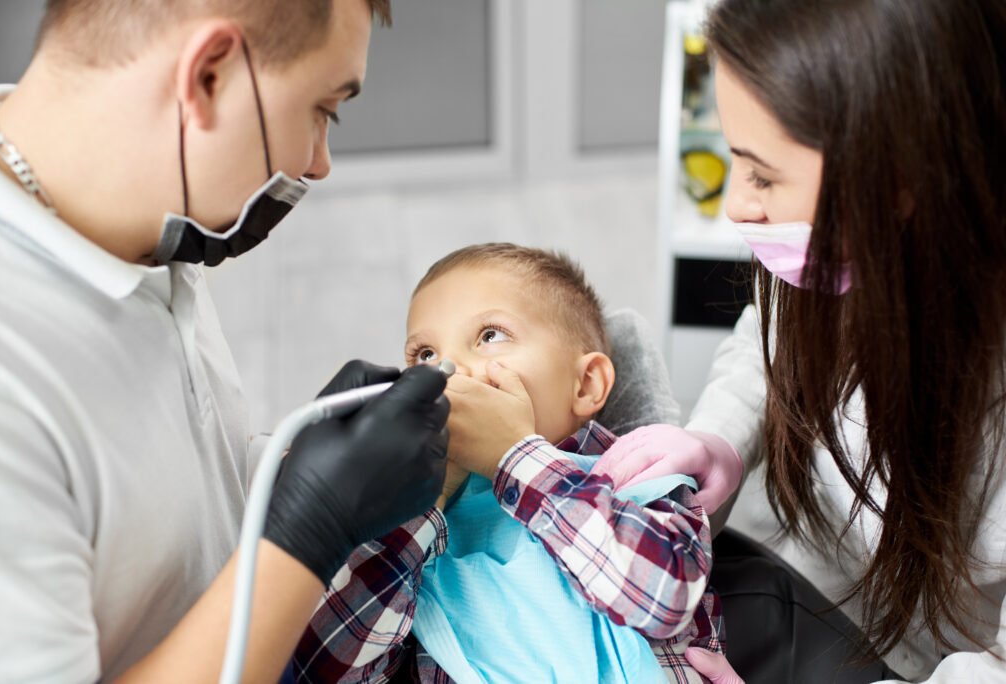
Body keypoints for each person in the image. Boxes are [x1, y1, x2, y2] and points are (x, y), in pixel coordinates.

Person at [0, 1, 453, 682]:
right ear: (207, 77)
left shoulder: (142, 217)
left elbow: (163, 509)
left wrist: (289, 466)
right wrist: (305, 531)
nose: (318, 163)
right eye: (324, 109)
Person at [666, 0, 1006, 681]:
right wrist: (721, 439)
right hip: (799, 586)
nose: (738, 204)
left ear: (899, 180)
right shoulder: (841, 258)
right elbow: (767, 339)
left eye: (762, 174)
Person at [290, 242, 728, 683]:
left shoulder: (636, 471)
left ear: (586, 385)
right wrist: (422, 503)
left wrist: (515, 456)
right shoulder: (417, 536)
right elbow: (327, 672)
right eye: (424, 355)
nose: (448, 369)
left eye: (489, 335)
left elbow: (664, 598)